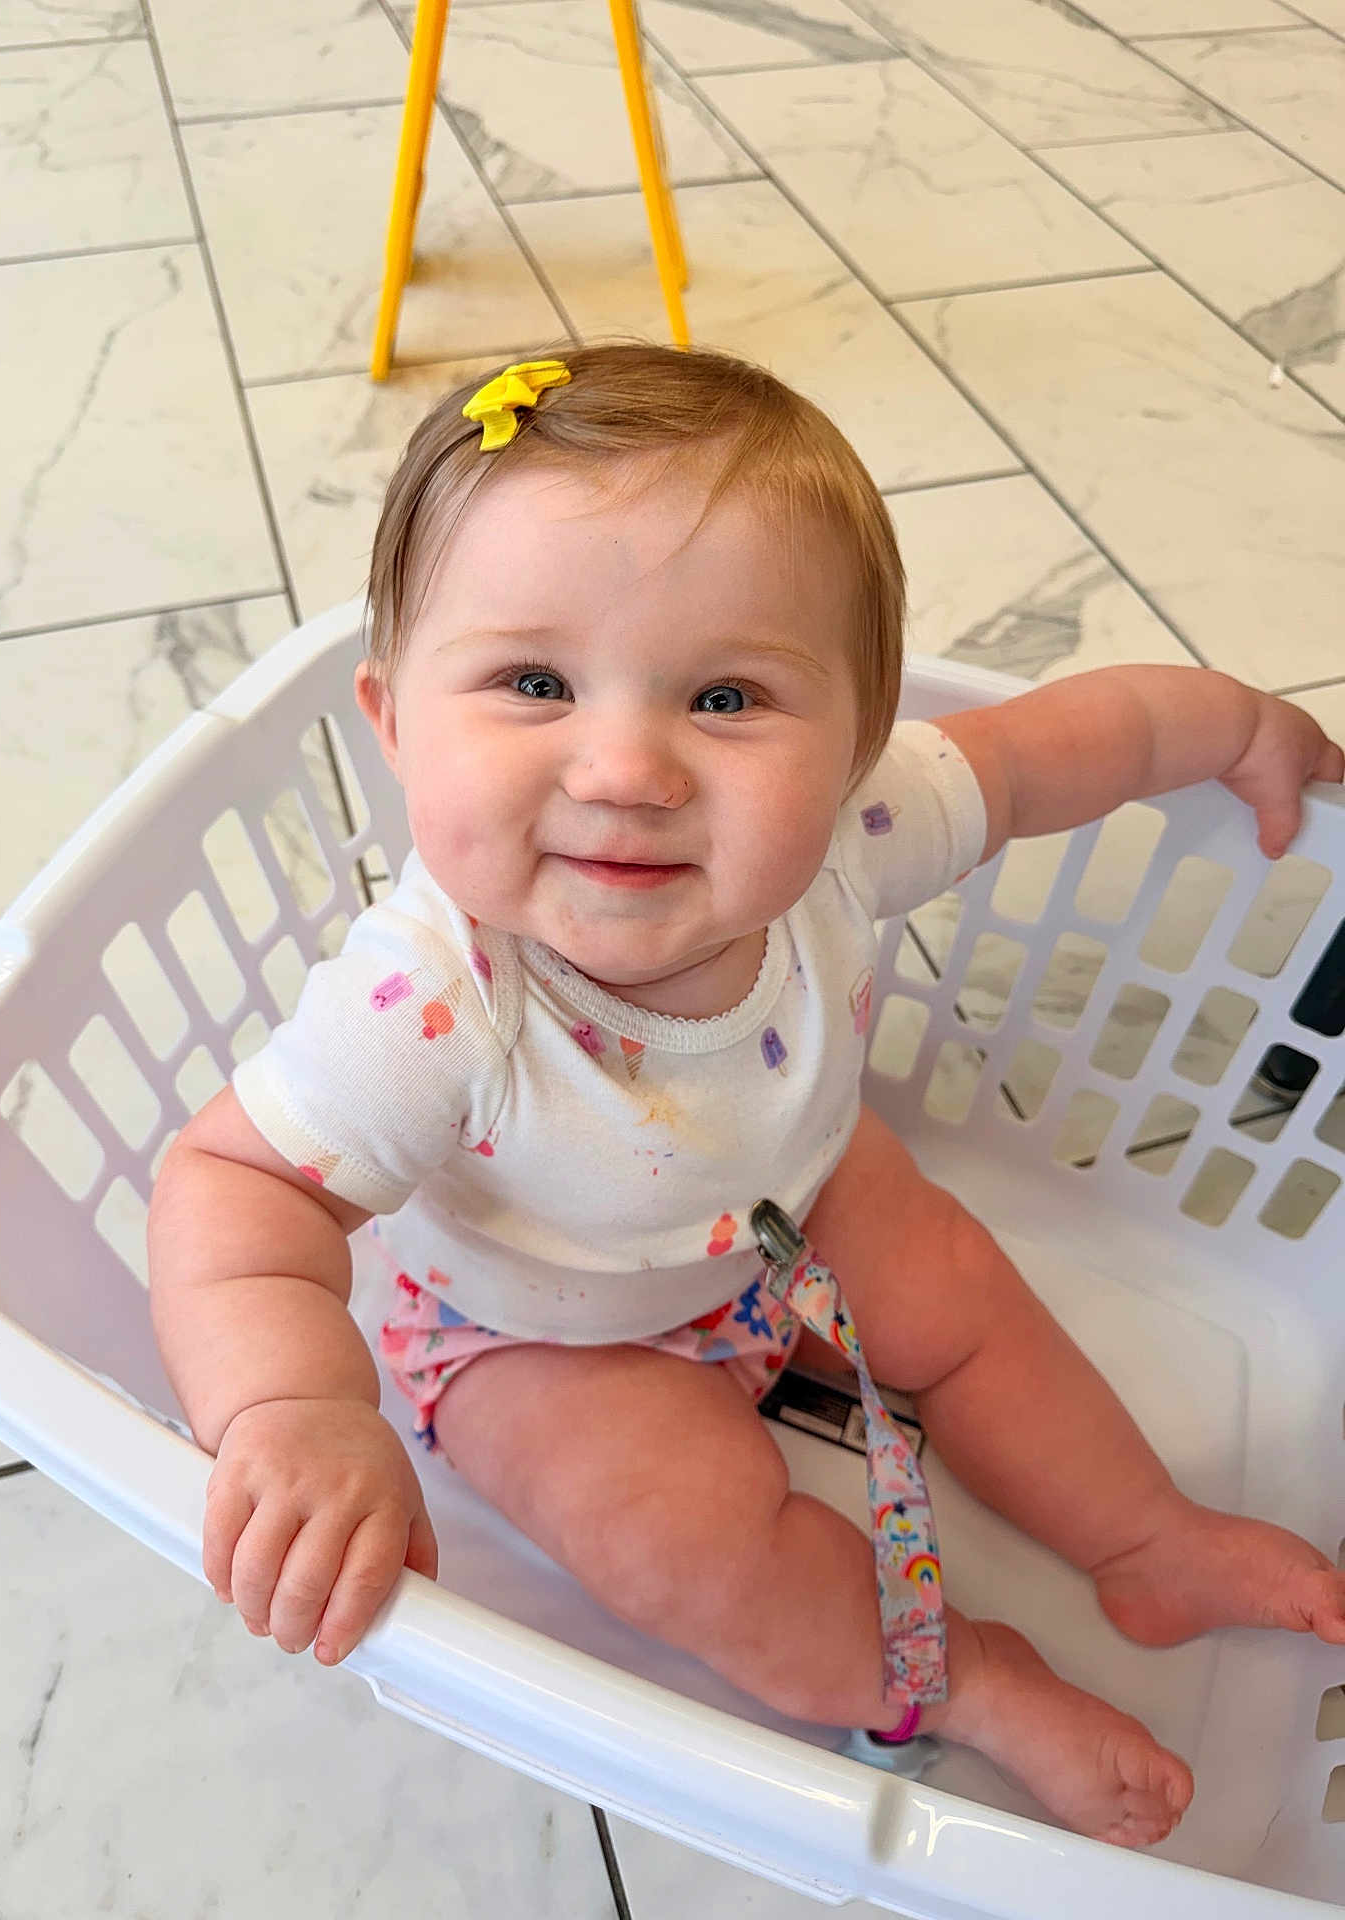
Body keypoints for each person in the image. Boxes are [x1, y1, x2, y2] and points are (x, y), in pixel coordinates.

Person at [147, 344, 1345, 1850]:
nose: (630, 765)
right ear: (394, 725)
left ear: (852, 740)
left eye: (724, 696)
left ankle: (1146, 1539)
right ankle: (963, 1675)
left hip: (796, 1194)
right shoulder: (434, 1001)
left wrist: (1232, 726)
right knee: (687, 1541)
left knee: (962, 1291)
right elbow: (240, 1188)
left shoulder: (858, 831)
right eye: (534, 682)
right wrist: (295, 1410)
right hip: (538, 1332)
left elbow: (1063, 749)